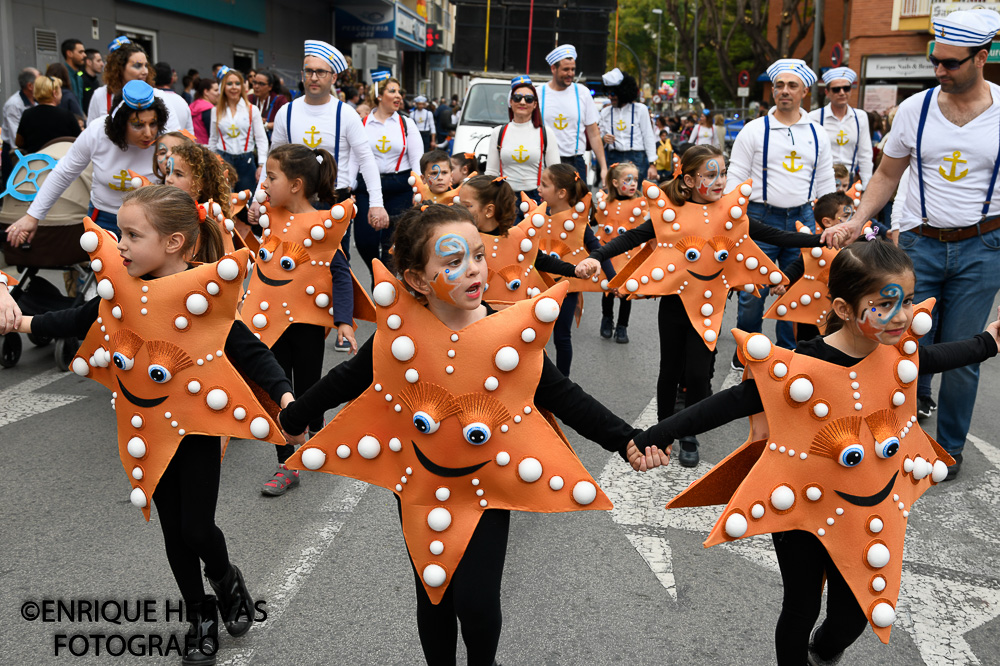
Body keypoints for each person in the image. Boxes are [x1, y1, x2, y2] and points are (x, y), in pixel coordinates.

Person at [277, 202, 659, 666]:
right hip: (420, 483)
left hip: (486, 484)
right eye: (453, 262)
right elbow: (348, 379)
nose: (474, 270)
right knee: (433, 595)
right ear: (417, 279)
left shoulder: (508, 336)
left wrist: (626, 440)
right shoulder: (398, 338)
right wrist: (297, 416)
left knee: (476, 604)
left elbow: (566, 397)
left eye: (478, 255)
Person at [644, 238, 1000, 665]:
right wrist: (657, 433)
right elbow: (731, 403)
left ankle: (825, 650)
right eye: (885, 303)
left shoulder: (897, 359)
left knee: (853, 613)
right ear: (845, 309)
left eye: (907, 300)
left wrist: (989, 341)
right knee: (800, 605)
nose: (903, 315)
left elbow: (942, 355)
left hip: (868, 510)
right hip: (803, 505)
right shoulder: (801, 367)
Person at [14, 184, 296, 666]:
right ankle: (199, 616)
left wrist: (288, 399)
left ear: (173, 243)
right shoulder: (117, 291)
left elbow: (249, 350)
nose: (118, 244)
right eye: (119, 233)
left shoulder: (201, 295)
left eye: (131, 234)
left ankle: (226, 577)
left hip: (198, 429)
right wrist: (18, 322)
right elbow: (74, 319)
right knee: (172, 532)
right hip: (147, 431)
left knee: (197, 528)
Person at [822, 9, 1000, 480]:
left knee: (966, 352)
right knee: (898, 343)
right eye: (935, 61)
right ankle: (892, 434)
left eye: (951, 63)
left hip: (984, 246)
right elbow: (886, 174)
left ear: (981, 58)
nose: (938, 70)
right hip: (919, 244)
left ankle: (948, 448)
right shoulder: (915, 109)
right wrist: (857, 221)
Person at [577, 145, 822, 466]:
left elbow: (779, 236)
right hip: (676, 306)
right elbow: (631, 238)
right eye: (711, 174)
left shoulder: (731, 215)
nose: (720, 180)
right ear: (690, 180)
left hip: (709, 307)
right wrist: (596, 257)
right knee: (670, 369)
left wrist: (820, 239)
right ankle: (663, 433)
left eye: (723, 173)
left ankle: (689, 433)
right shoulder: (671, 215)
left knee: (697, 374)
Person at [250, 143, 358, 495]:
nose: (264, 184)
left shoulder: (322, 226)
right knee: (277, 389)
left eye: (271, 177)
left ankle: (314, 419)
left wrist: (343, 320)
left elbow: (340, 273)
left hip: (308, 325)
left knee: (308, 385)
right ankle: (286, 463)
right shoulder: (269, 216)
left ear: (295, 184)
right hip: (269, 324)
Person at [727, 58, 834, 360]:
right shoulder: (754, 130)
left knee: (795, 293)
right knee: (751, 294)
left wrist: (828, 225)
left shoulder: (817, 133)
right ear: (772, 91)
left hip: (802, 221)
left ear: (804, 92)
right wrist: (729, 216)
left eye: (792, 86)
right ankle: (745, 352)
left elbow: (826, 181)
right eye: (779, 86)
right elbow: (735, 176)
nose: (784, 91)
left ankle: (787, 356)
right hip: (760, 219)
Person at [252, 40, 386, 237]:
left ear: (333, 78)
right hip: (292, 198)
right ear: (302, 75)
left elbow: (366, 159)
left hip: (333, 200)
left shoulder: (346, 114)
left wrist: (376, 204)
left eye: (321, 72)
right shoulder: (286, 112)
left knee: (334, 261)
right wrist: (258, 197)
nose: (314, 77)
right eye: (309, 71)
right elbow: (274, 159)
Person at [6, 80, 165, 239]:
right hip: (104, 219)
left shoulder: (165, 140)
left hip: (150, 220)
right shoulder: (97, 132)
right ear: (121, 123)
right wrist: (32, 216)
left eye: (153, 124)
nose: (149, 133)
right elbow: (64, 173)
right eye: (138, 125)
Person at [532, 162, 613, 376]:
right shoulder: (535, 218)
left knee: (561, 336)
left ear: (561, 193)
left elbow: (598, 250)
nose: (538, 188)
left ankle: (563, 379)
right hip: (538, 287)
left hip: (568, 289)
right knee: (535, 336)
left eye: (544, 184)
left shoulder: (579, 225)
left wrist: (613, 278)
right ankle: (535, 378)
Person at [348, 73, 422, 285]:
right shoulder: (362, 123)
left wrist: (418, 190)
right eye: (392, 91)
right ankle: (376, 272)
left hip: (400, 187)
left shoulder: (407, 124)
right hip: (366, 187)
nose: (398, 96)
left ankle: (386, 282)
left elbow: (417, 160)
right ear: (379, 95)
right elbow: (354, 158)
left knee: (394, 239)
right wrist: (348, 188)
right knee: (364, 239)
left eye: (399, 92)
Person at [458, 174, 578, 302]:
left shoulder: (517, 239)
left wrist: (575, 270)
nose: (459, 210)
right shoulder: (460, 238)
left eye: (466, 206)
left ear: (489, 211)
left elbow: (541, 260)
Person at [484, 75, 561, 207]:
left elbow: (556, 173)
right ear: (511, 102)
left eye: (529, 99)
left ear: (535, 104)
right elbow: (491, 173)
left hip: (537, 198)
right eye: (517, 98)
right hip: (506, 198)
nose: (523, 102)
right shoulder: (498, 132)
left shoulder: (545, 133)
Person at [540, 45, 608, 184]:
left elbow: (593, 133)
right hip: (546, 161)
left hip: (575, 161)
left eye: (573, 69)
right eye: (565, 69)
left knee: (578, 205)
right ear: (553, 68)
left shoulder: (582, 93)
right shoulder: (538, 93)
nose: (570, 73)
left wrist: (604, 168)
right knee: (546, 205)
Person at [87, 37, 183, 133]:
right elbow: (90, 133)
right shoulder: (100, 95)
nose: (145, 71)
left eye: (146, 65)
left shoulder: (158, 95)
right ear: (119, 68)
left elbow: (174, 134)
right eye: (137, 66)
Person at [809, 67, 873, 187]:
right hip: (823, 179)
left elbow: (865, 154)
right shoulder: (814, 117)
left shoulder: (860, 117)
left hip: (849, 180)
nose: (842, 92)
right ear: (827, 93)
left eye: (846, 88)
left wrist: (866, 186)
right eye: (836, 89)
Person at [209, 67, 268, 193]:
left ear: (242, 86)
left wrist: (262, 164)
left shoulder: (252, 109)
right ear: (223, 87)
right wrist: (212, 161)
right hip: (223, 160)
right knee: (224, 200)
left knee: (246, 201)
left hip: (246, 161)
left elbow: (261, 139)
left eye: (237, 83)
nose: (233, 87)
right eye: (229, 84)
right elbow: (213, 139)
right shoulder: (216, 110)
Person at [599, 69, 658, 181]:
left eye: (613, 94)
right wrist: (604, 139)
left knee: (633, 194)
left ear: (623, 92)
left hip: (636, 157)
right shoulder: (605, 113)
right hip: (614, 157)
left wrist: (652, 164)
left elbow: (648, 136)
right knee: (614, 195)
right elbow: (599, 138)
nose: (610, 97)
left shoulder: (640, 110)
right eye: (607, 93)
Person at [14, 75, 81, 153]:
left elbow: (19, 142)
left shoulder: (27, 114)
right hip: (60, 162)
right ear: (54, 93)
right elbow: (79, 141)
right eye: (60, 91)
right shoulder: (67, 115)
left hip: (35, 162)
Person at [1, 68, 38, 184]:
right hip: (15, 152)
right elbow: (15, 138)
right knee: (14, 187)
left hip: (30, 149)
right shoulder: (14, 104)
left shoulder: (36, 101)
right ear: (30, 86)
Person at [153, 61, 195, 133]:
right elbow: (190, 133)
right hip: (181, 143)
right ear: (172, 80)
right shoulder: (183, 102)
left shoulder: (149, 101)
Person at [248, 69, 288, 139]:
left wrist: (267, 125)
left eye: (261, 84)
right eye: (254, 82)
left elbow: (287, 121)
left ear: (270, 87)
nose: (256, 86)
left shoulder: (279, 100)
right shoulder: (248, 99)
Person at [190, 78, 219, 144]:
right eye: (216, 90)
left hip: (195, 146)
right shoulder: (209, 110)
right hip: (207, 148)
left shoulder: (192, 106)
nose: (218, 93)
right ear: (206, 92)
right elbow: (213, 134)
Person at [61, 38, 86, 103]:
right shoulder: (61, 75)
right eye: (80, 52)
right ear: (69, 53)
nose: (84, 55)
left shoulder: (79, 77)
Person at [81, 48, 105, 113]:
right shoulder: (80, 80)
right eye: (98, 61)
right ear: (89, 62)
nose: (102, 64)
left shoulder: (96, 81)